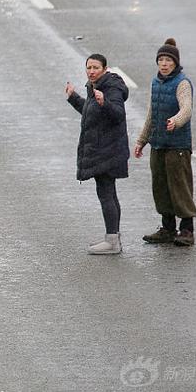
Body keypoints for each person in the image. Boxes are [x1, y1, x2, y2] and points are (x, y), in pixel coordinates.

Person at [133, 38, 196, 247]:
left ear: (175, 62)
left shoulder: (182, 83)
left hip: (177, 145)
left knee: (180, 187)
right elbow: (152, 114)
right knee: (160, 187)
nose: (164, 63)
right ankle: (168, 228)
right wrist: (142, 140)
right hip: (158, 144)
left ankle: (187, 229)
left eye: (168, 60)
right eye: (161, 59)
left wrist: (175, 121)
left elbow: (186, 108)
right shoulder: (156, 82)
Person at [65, 53, 130, 254]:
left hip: (109, 150)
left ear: (105, 69)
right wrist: (73, 98)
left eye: (95, 68)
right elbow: (90, 111)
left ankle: (112, 241)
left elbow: (118, 114)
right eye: (89, 68)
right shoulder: (94, 87)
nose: (91, 72)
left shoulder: (111, 88)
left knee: (106, 193)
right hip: (104, 150)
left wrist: (105, 103)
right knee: (108, 192)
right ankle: (113, 237)